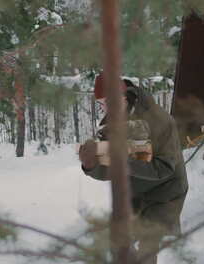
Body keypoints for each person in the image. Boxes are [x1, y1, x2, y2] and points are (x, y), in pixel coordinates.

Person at [78, 72, 188, 264]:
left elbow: (163, 168)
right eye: (101, 104)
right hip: (135, 192)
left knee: (147, 246)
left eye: (106, 102)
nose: (104, 109)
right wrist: (91, 165)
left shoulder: (159, 120)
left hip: (165, 193)